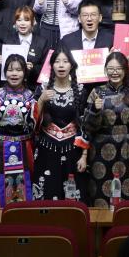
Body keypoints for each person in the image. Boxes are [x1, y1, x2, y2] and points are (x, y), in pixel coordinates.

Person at [81, 52, 129, 207]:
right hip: (100, 150)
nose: (114, 72)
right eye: (110, 68)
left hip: (128, 150)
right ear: (105, 70)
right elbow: (87, 128)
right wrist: (95, 110)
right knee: (100, 194)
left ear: (125, 70)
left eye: (118, 68)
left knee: (128, 196)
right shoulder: (97, 92)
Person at [32, 48, 88, 201]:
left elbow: (85, 126)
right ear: (52, 65)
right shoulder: (42, 89)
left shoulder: (81, 90)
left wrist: (84, 156)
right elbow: (31, 123)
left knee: (72, 196)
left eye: (65, 61)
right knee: (47, 194)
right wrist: (41, 100)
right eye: (57, 62)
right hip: (46, 149)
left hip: (73, 150)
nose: (61, 65)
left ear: (72, 65)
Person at [0, 53, 36, 205]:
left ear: (25, 73)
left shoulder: (31, 97)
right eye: (10, 70)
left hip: (24, 148)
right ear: (5, 72)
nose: (14, 74)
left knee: (24, 187)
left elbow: (36, 126)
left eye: (18, 70)